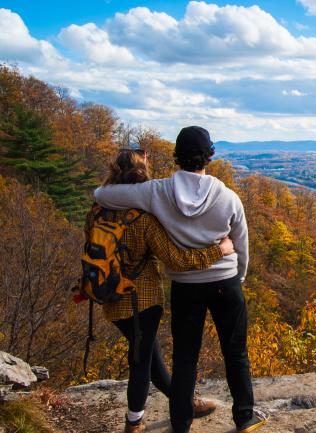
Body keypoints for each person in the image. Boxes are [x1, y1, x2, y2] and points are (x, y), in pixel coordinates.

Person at [93, 126, 267, 433]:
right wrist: (237, 279)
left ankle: (181, 423)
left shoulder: (156, 192)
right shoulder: (228, 197)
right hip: (225, 283)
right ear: (209, 156)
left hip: (186, 287)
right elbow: (241, 247)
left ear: (176, 157)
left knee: (185, 357)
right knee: (235, 351)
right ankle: (244, 418)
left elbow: (101, 194)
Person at [86, 148, 227, 433]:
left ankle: (185, 401)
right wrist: (218, 251)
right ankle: (134, 422)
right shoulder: (143, 220)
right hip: (142, 300)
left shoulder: (96, 213)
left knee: (149, 354)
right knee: (140, 360)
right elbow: (177, 260)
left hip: (108, 294)